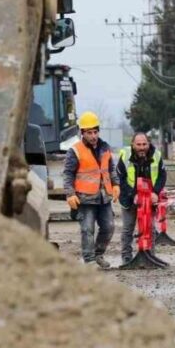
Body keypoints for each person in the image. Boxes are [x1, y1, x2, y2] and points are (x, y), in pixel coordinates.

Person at [63, 111, 119, 268]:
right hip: (85, 198)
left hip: (103, 197)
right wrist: (70, 194)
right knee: (87, 229)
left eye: (95, 132)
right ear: (82, 133)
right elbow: (68, 174)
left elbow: (110, 168)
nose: (93, 136)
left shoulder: (105, 147)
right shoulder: (75, 151)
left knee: (109, 227)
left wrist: (115, 184)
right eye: (89, 133)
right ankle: (89, 260)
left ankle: (98, 254)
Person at [116, 132, 166, 264]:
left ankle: (150, 254)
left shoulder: (156, 155)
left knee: (150, 227)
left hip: (150, 198)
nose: (142, 147)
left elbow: (162, 175)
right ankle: (126, 257)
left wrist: (155, 192)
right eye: (138, 144)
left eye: (144, 144)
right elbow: (120, 179)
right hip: (129, 197)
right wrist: (133, 195)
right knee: (128, 228)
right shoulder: (125, 156)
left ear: (148, 144)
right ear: (133, 144)